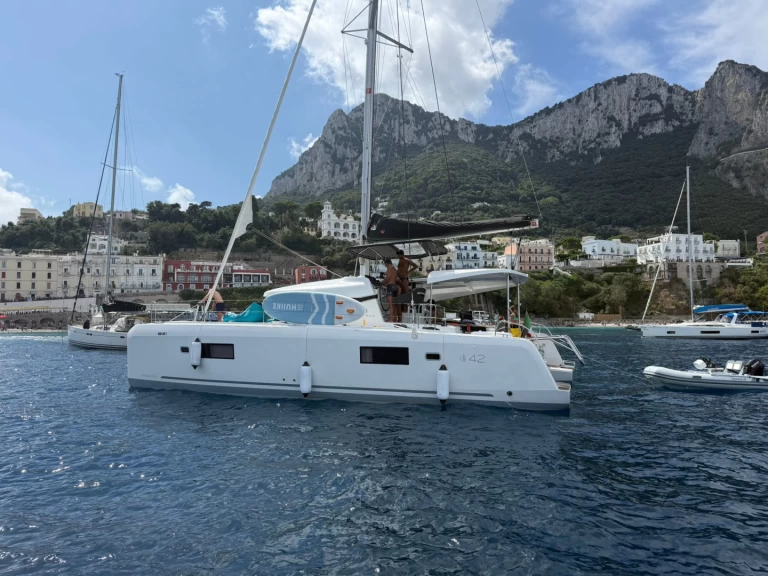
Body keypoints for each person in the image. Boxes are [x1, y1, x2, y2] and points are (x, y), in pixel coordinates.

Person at [396, 249, 418, 315]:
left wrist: (408, 271)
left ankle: (406, 310)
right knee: (401, 294)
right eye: (397, 255)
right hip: (399, 279)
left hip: (404, 279)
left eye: (398, 255)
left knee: (406, 293)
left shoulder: (407, 260)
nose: (398, 256)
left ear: (401, 254)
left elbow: (416, 266)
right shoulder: (399, 260)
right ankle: (402, 310)